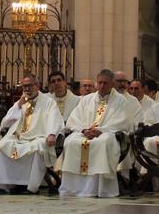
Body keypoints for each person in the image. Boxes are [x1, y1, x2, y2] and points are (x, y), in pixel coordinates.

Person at [59, 70, 138, 198]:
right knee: (71, 141)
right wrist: (84, 130)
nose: (102, 86)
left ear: (112, 84)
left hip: (109, 134)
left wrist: (101, 130)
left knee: (102, 142)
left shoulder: (121, 101)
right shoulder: (86, 99)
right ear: (96, 83)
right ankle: (72, 188)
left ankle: (99, 188)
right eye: (100, 82)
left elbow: (124, 122)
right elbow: (75, 118)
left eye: (105, 83)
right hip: (85, 132)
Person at [0, 75, 63, 194]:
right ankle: (9, 183)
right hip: (19, 137)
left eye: (29, 86)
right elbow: (6, 122)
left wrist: (52, 134)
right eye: (24, 86)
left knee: (37, 148)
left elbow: (54, 119)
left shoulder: (48, 102)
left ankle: (30, 185)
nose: (26, 89)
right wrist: (18, 106)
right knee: (4, 145)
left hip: (38, 137)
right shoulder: (21, 102)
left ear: (37, 86)